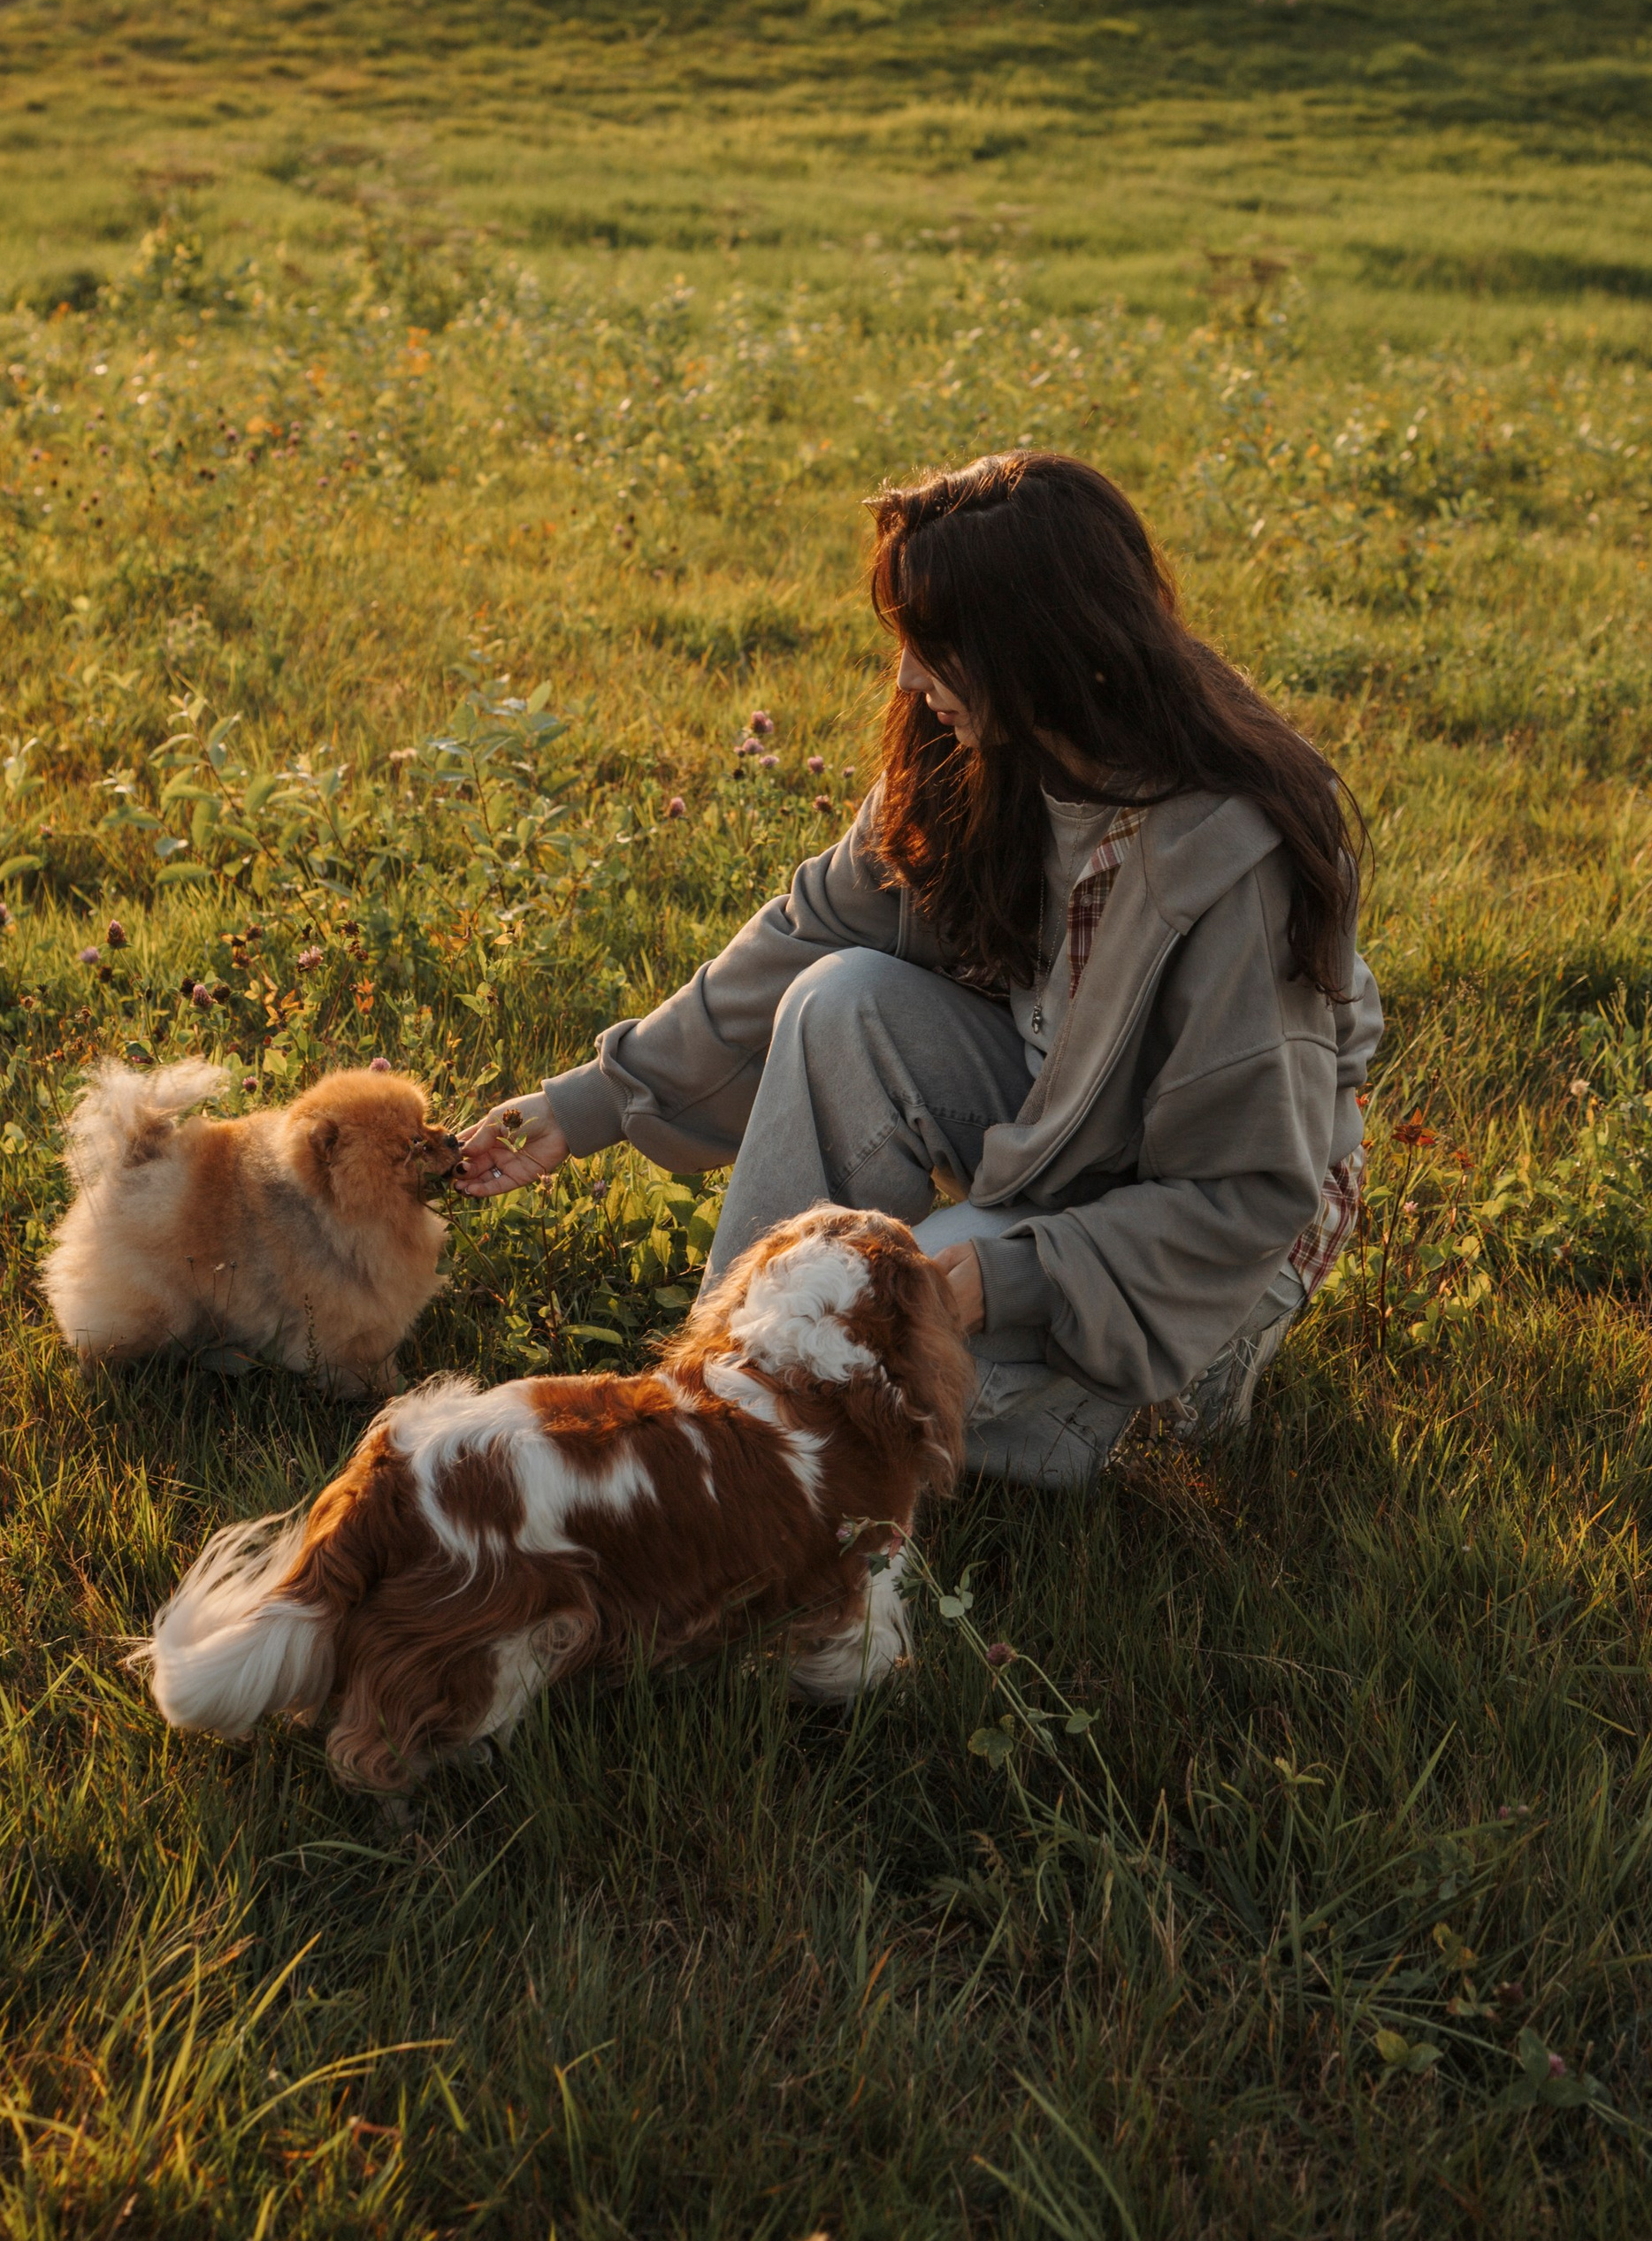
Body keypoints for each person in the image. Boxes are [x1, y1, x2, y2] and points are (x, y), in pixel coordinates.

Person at [456, 452, 1382, 1488]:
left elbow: (1245, 1189)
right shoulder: (975, 754)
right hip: (1060, 1117)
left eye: (937, 651)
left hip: (1209, 1224)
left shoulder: (1232, 854)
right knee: (838, 999)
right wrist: (585, 1105)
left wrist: (1002, 1278)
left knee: (887, 1374)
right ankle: (718, 1405)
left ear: (1040, 647)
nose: (906, 679)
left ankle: (1180, 1371)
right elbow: (803, 939)